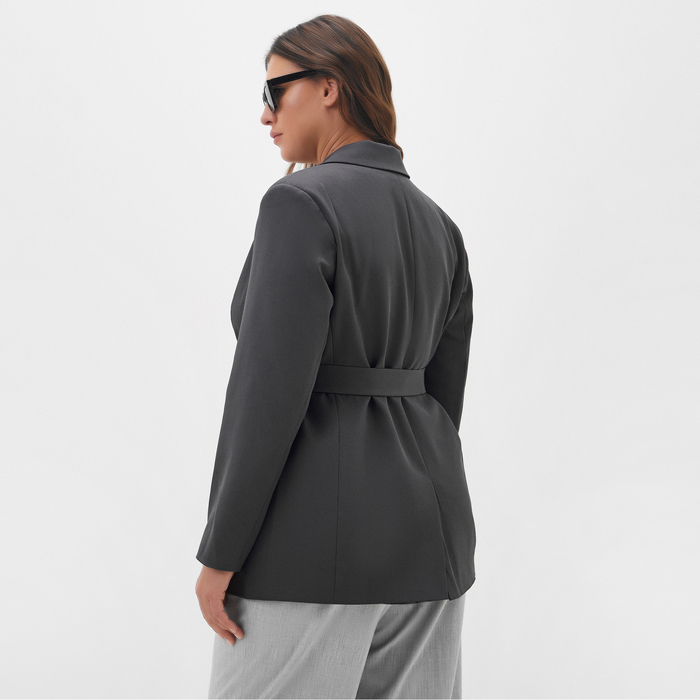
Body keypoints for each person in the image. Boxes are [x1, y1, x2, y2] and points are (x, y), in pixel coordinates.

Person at [194, 14, 476, 700]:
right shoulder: (440, 224)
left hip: (309, 542)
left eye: (275, 92)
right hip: (431, 541)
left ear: (329, 87)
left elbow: (266, 392)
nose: (265, 115)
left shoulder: (299, 203)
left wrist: (220, 553)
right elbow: (445, 399)